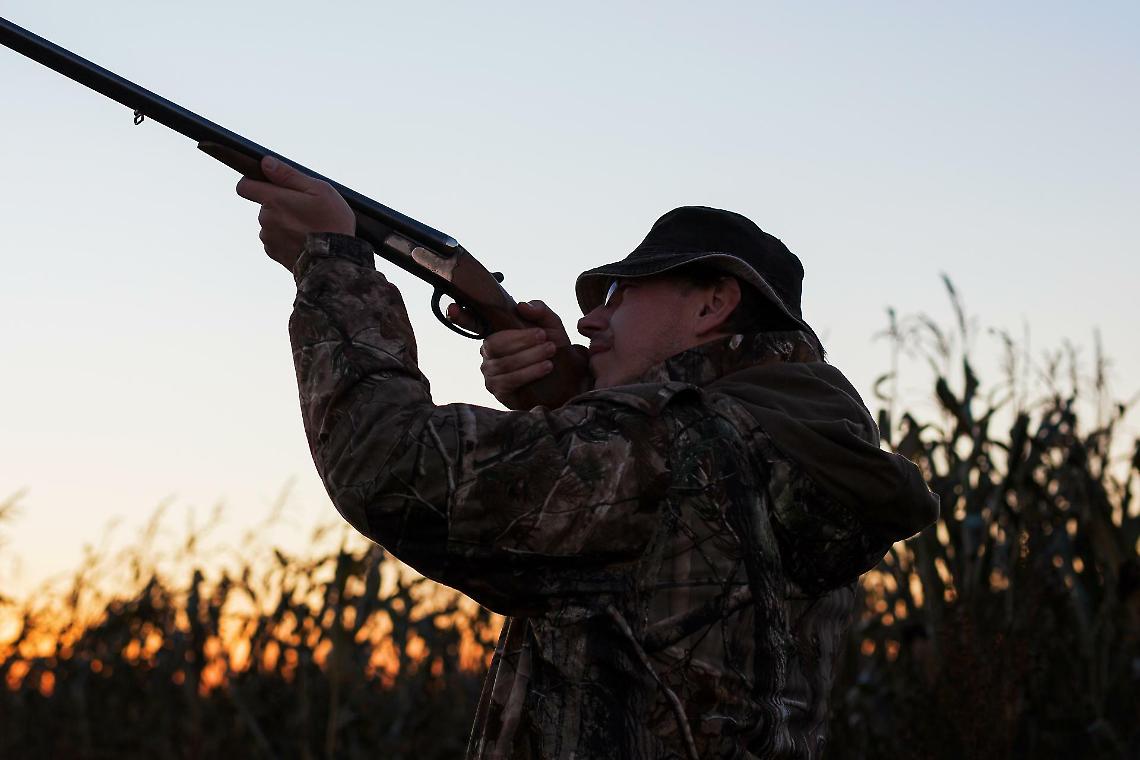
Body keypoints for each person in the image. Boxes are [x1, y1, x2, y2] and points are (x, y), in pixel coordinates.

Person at [236, 156, 939, 759]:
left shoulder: (664, 447)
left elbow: (385, 466)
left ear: (713, 305)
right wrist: (572, 398)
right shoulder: (800, 449)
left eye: (620, 294)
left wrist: (334, 263)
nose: (588, 319)